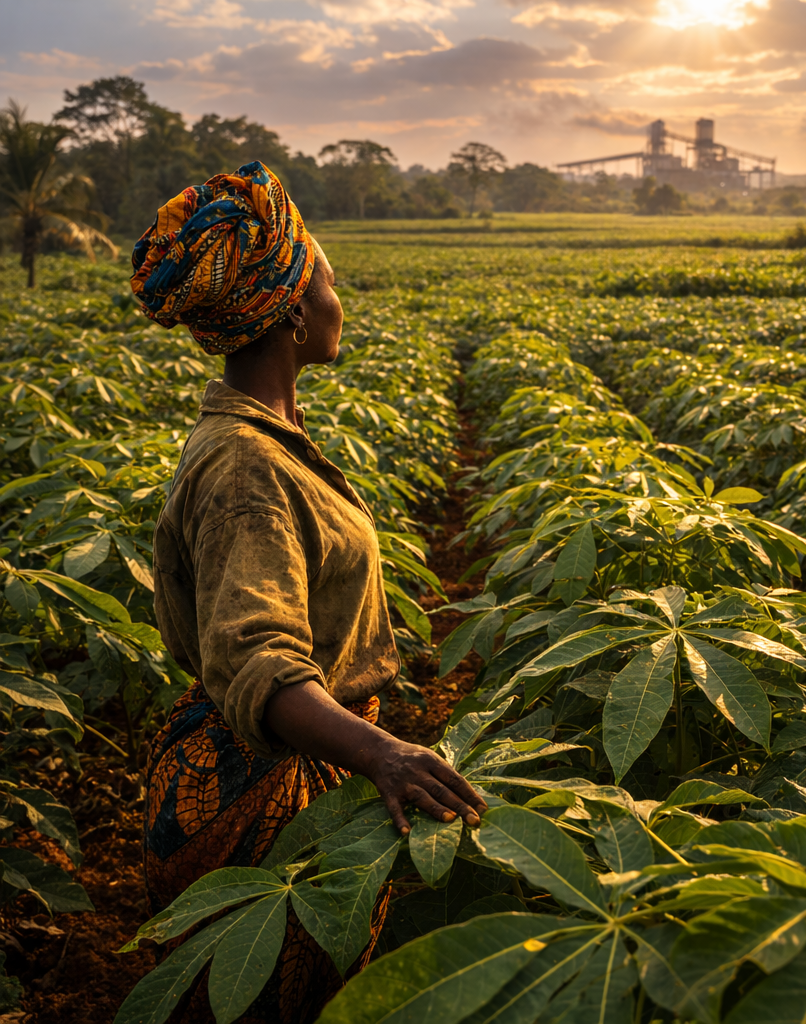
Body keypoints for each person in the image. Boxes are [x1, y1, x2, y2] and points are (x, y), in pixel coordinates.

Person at [131, 161, 486, 1023]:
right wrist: (382, 756)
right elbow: (259, 661)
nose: (340, 298)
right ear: (292, 310)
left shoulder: (269, 435)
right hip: (262, 797)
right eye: (329, 280)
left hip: (291, 772)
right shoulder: (246, 465)